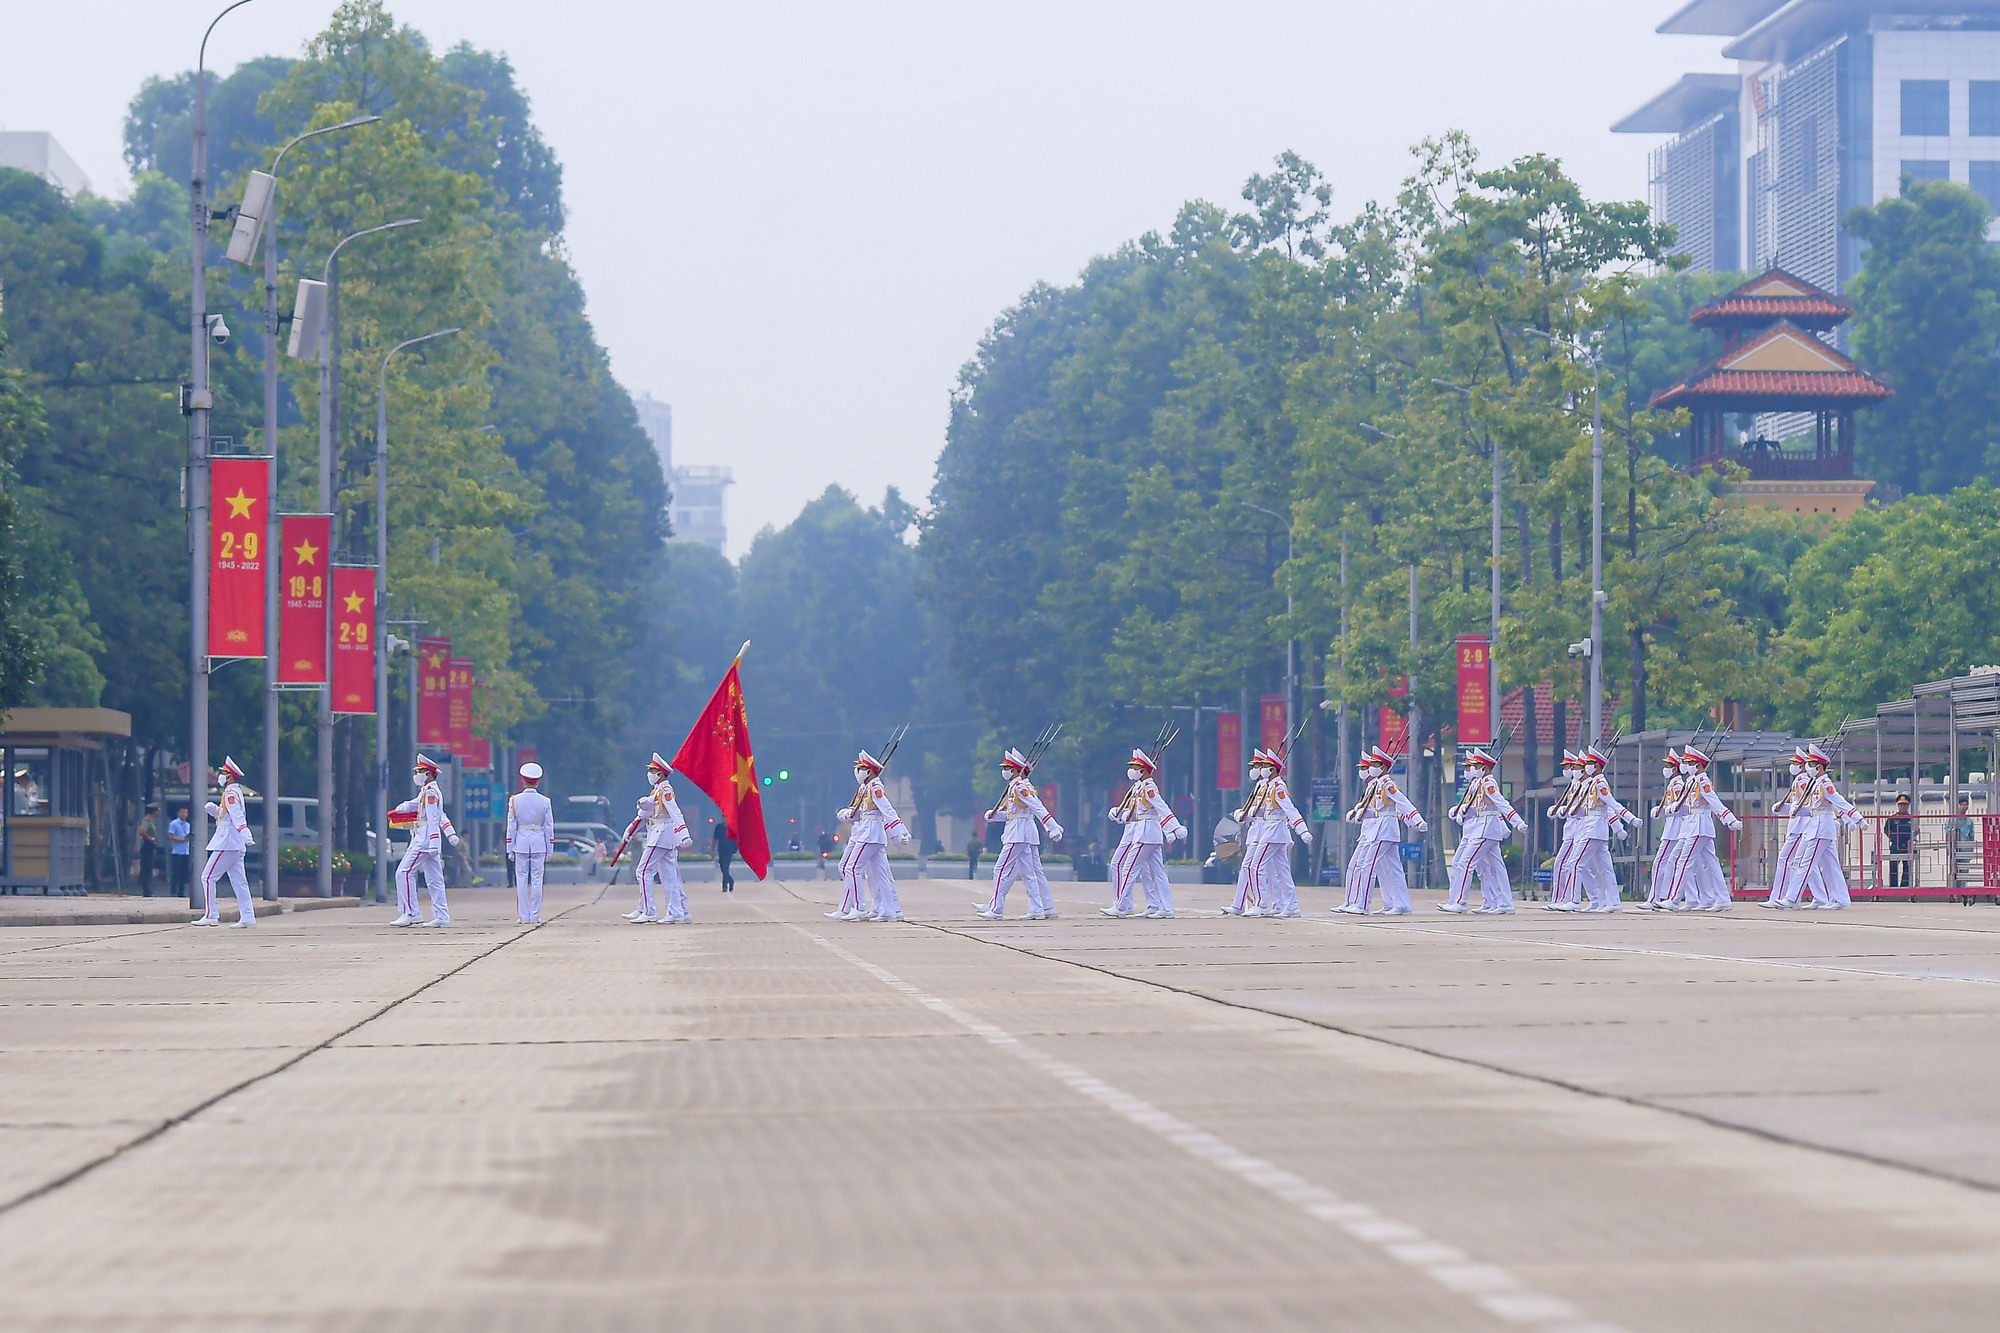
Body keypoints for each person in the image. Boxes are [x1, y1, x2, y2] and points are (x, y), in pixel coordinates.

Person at [1337, 746, 1426, 916]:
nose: (1370, 767)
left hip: (1384, 830)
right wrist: (1357, 815)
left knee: (1367, 866)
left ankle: (1362, 905)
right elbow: (1376, 811)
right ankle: (1400, 904)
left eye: (1374, 764)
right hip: (1378, 829)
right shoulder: (1376, 785)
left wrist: (1417, 820)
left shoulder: (1387, 784)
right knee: (1392, 869)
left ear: (1383, 767)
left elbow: (1402, 802)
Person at [976, 747, 1063, 921]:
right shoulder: (1018, 786)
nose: (1004, 772)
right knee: (1029, 872)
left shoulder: (1019, 787)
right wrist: (991, 816)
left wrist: (1052, 826)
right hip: (1021, 832)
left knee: (1000, 869)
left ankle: (996, 909)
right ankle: (1038, 908)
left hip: (1017, 834)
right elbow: (1013, 814)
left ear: (1015, 770)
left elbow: (1037, 807)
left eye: (1006, 769)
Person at [1231, 747, 1312, 919]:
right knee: (1282, 871)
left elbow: (1290, 810)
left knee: (1256, 866)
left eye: (1266, 766)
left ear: (1273, 769)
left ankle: (1261, 904)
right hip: (1270, 830)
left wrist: (1302, 829)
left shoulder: (1278, 788)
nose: (1262, 769)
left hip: (1274, 831)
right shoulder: (1269, 786)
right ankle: (1291, 906)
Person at [1442, 748, 1526, 914]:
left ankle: (1460, 902)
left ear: (1485, 768)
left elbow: (1502, 804)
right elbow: (1476, 808)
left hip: (1486, 830)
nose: (1473, 768)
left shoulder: (1488, 783)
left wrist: (1517, 822)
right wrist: (1460, 812)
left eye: (1476, 765)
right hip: (1480, 828)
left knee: (1466, 863)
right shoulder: (1477, 783)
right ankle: (1504, 903)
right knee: (1496, 868)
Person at [1104, 746, 1184, 919]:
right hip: (1148, 832)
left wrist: (1174, 827)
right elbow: (1136, 812)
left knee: (1129, 869)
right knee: (1158, 873)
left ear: (1142, 770)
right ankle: (1165, 908)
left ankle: (1121, 906)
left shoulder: (1149, 788)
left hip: (1146, 834)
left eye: (1134, 768)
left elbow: (1161, 806)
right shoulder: (1141, 786)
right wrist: (1120, 815)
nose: (1131, 770)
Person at [831, 749, 909, 921]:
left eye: (861, 768)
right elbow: (862, 812)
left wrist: (900, 832)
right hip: (864, 830)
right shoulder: (864, 787)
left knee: (851, 868)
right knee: (878, 874)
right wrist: (847, 814)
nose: (857, 772)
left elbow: (886, 810)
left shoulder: (875, 787)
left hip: (870, 833)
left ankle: (859, 907)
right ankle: (888, 909)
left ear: (870, 771)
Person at [1661, 745, 1741, 912]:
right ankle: (1722, 899)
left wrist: (1730, 819)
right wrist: (1671, 809)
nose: (1686, 765)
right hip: (1690, 825)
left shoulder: (1702, 781)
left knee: (1684, 861)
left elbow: (1714, 801)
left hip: (1699, 825)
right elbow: (1685, 805)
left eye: (1690, 763)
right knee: (1711, 863)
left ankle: (1674, 899)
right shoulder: (1691, 781)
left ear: (1698, 765)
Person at [390, 753, 460, 928]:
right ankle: (442, 916)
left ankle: (411, 913)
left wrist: (435, 842)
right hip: (427, 838)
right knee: (435, 879)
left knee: (403, 873)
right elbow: (435, 812)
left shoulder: (430, 793)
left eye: (419, 771)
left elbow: (435, 818)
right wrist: (405, 806)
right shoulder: (427, 791)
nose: (417, 775)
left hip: (425, 840)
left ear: (428, 773)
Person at [627, 752, 694, 923]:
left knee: (643, 871)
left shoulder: (665, 790)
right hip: (663, 835)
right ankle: (679, 912)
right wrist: (631, 828)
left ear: (660, 773)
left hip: (662, 834)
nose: (649, 774)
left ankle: (648, 910)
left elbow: (675, 812)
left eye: (652, 770)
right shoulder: (658, 790)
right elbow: (646, 810)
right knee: (670, 876)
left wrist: (684, 834)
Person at [192, 757, 256, 928]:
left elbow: (237, 816)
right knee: (239, 882)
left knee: (207, 877)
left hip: (227, 842)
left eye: (223, 773)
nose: (219, 775)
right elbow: (226, 816)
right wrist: (214, 811)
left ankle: (211, 914)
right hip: (233, 842)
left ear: (230, 776)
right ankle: (248, 917)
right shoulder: (233, 792)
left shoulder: (230, 793)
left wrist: (245, 833)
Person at [505, 761, 555, 924]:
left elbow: (511, 826)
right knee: (537, 879)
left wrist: (509, 847)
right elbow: (548, 826)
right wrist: (550, 848)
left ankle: (523, 916)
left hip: (520, 842)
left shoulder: (514, 800)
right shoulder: (545, 801)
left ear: (522, 780)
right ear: (538, 781)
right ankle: (535, 915)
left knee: (521, 879)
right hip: (539, 841)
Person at [1641, 750, 1687, 910]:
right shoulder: (1672, 785)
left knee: (1660, 862)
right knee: (1682, 864)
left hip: (1675, 828)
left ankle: (1654, 898)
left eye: (1667, 765)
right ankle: (1692, 898)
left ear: (1674, 768)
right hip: (1673, 827)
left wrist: (1666, 810)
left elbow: (1682, 807)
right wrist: (1659, 810)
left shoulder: (1678, 785)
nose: (1665, 768)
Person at [1546, 751, 1589, 912]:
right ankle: (1560, 899)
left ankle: (1567, 899)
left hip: (1580, 829)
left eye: (1569, 766)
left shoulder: (1584, 785)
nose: (1566, 770)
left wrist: (1564, 809)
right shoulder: (1574, 784)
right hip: (1571, 829)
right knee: (1565, 864)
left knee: (1569, 864)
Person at [1885, 794, 1914, 889]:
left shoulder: (1912, 819)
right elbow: (1886, 830)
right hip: (1895, 846)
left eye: (1905, 805)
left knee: (1907, 867)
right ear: (1898, 806)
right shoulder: (1892, 819)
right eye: (1901, 805)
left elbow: (1916, 830)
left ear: (1908, 806)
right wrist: (1894, 838)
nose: (1903, 807)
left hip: (1907, 846)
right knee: (1893, 867)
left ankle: (1904, 886)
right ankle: (1893, 887)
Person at [167, 806, 192, 899]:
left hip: (186, 852)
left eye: (186, 813)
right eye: (182, 813)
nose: (184, 815)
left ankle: (181, 892)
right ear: (178, 813)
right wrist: (182, 839)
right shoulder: (174, 824)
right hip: (177, 852)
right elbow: (170, 836)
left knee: (184, 873)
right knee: (176, 873)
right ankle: (173, 891)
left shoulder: (188, 825)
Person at [137, 804, 160, 894]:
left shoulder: (151, 821)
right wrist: (150, 838)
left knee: (149, 868)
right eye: (157, 810)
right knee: (146, 868)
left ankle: (147, 889)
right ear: (153, 811)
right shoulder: (147, 820)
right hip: (147, 846)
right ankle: (146, 890)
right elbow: (142, 830)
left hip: (150, 847)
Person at [714, 823, 738, 894]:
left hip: (729, 850)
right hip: (721, 850)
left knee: (725, 867)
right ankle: (731, 881)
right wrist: (712, 850)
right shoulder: (719, 827)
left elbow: (736, 838)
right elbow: (715, 839)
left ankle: (724, 886)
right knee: (722, 868)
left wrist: (737, 849)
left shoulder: (732, 828)